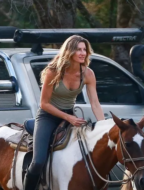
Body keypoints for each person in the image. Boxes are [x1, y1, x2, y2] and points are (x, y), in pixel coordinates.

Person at [23, 35, 105, 190]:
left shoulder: (88, 74)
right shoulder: (53, 72)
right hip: (48, 116)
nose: (82, 53)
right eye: (78, 50)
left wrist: (102, 126)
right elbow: (44, 104)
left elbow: (95, 103)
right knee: (39, 161)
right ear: (69, 52)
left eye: (84, 50)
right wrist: (69, 118)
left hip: (69, 115)